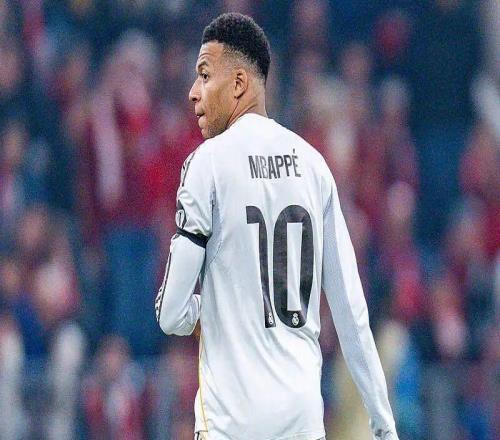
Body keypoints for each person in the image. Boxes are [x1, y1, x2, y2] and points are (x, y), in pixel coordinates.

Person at [155, 13, 399, 440]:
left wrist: (211, 308)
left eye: (205, 76)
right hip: (301, 421)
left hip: (231, 423)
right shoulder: (314, 166)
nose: (194, 92)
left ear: (238, 83)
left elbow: (171, 314)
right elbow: (351, 311)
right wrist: (382, 422)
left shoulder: (207, 164)